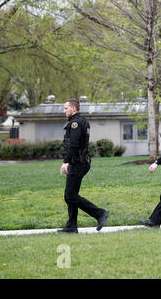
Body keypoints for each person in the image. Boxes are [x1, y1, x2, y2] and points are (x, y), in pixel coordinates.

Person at [58, 99, 109, 233]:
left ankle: (100, 213)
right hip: (80, 162)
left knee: (71, 195)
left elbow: (73, 144)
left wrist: (66, 162)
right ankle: (71, 226)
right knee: (69, 195)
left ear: (74, 109)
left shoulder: (75, 123)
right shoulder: (81, 121)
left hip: (78, 163)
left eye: (66, 108)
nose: (64, 111)